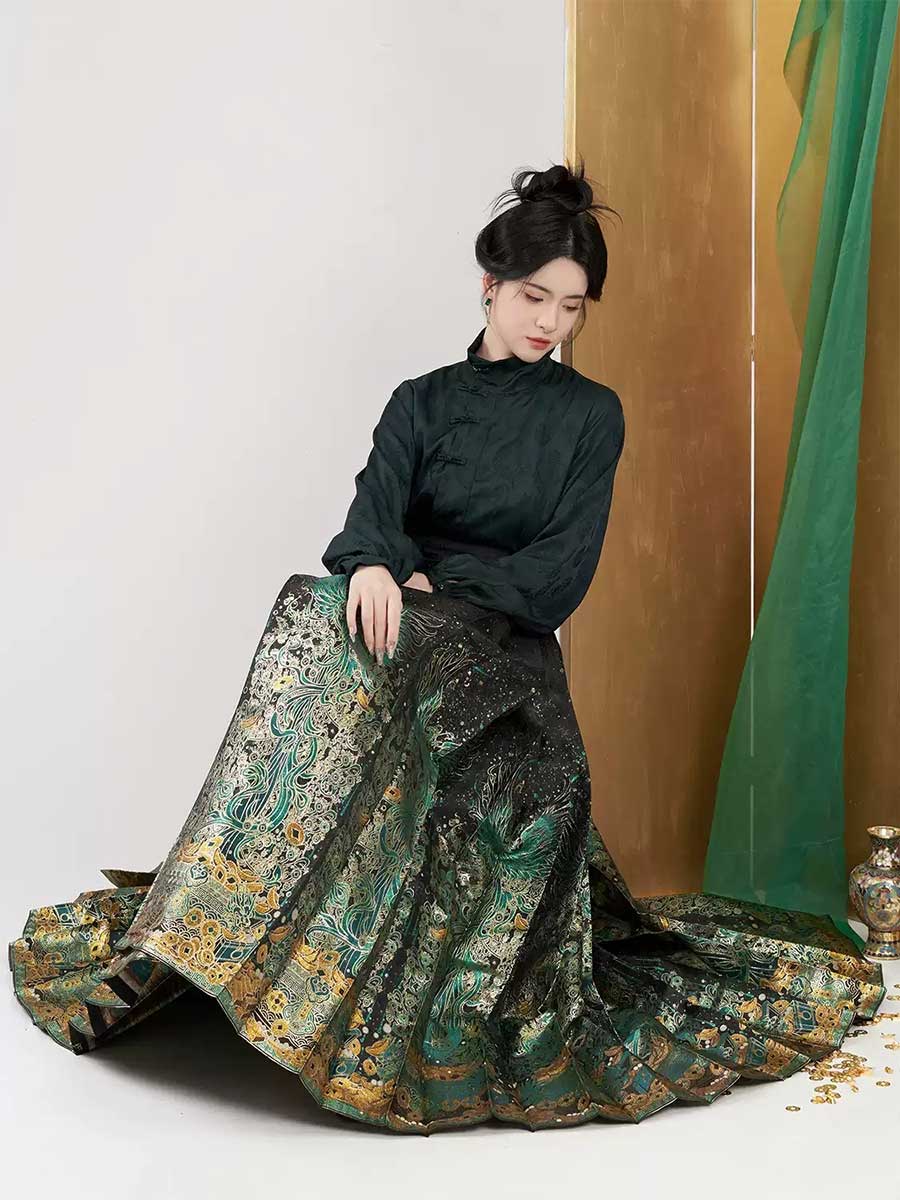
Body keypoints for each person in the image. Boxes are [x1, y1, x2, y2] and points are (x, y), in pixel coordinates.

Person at [9, 160, 885, 1135]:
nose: (550, 323)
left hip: (511, 667)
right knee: (313, 607)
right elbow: (370, 521)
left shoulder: (590, 416)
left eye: (572, 307)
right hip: (409, 639)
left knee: (403, 651)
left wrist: (434, 582)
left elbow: (557, 579)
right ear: (489, 285)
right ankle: (215, 916)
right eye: (533, 297)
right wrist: (374, 566)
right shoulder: (419, 402)